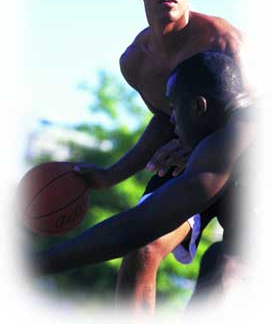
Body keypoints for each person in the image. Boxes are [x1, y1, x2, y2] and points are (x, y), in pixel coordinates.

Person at [72, 0, 250, 312]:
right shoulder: (135, 63)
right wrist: (109, 176)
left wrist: (208, 145)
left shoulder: (222, 40)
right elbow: (164, 122)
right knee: (140, 248)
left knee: (225, 272)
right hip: (186, 169)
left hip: (244, 166)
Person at [32, 52, 255, 311]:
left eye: (173, 109)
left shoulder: (232, 140)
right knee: (223, 260)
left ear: (198, 107)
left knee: (228, 271)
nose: (171, 121)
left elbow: (136, 227)